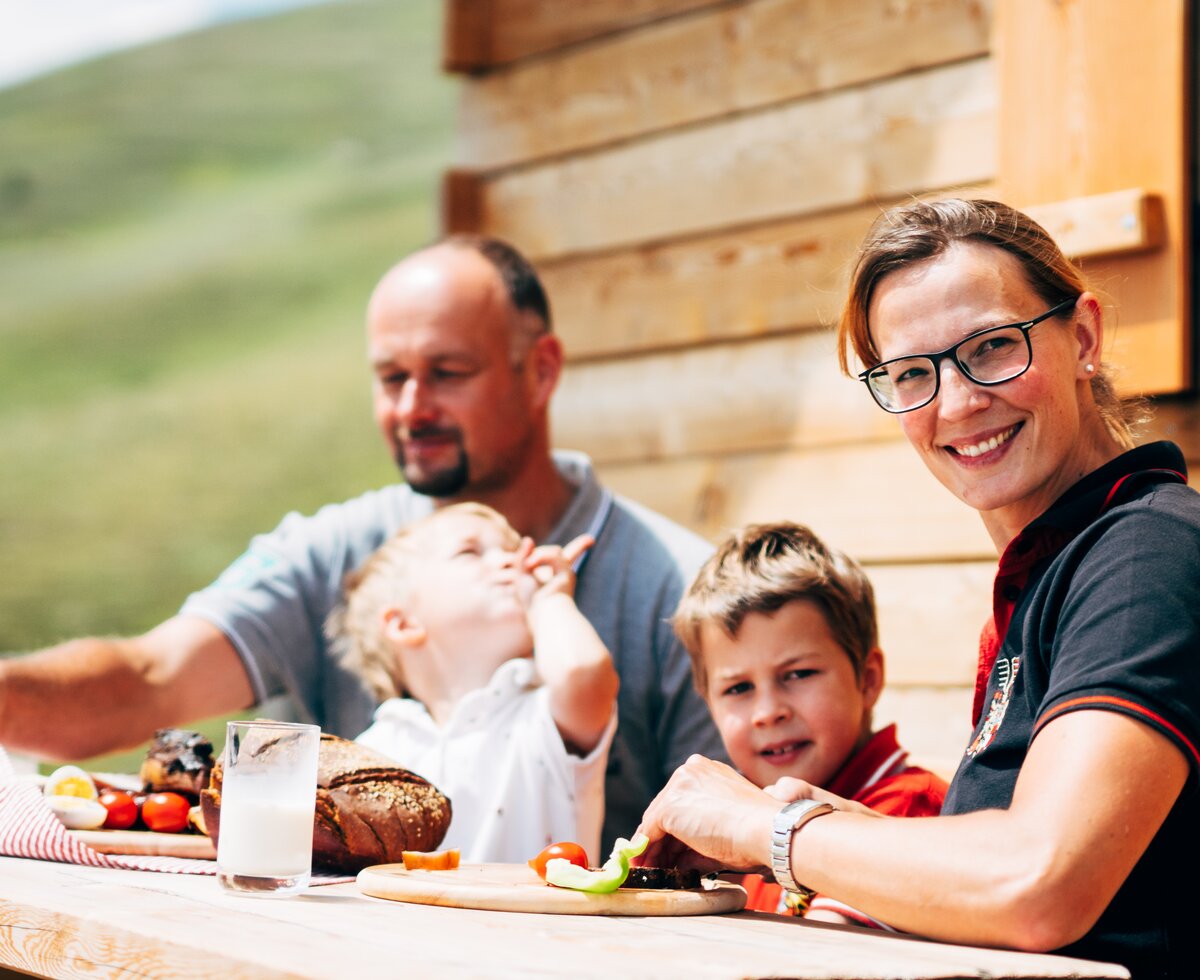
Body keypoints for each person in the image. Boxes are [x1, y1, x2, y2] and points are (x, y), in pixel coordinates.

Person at [0, 235, 724, 846]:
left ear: (540, 371)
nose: (412, 407)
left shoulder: (681, 588)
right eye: (390, 377)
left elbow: (730, 847)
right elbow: (148, 680)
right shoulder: (333, 551)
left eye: (447, 373)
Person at [636, 198, 1200, 978]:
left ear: (1083, 338)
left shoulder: (1145, 554)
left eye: (994, 347)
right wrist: (802, 825)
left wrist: (765, 832)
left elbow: (1039, 882)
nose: (958, 402)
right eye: (912, 373)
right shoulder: (1057, 567)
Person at [672, 520, 945, 924]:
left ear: (867, 680)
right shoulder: (746, 822)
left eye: (797, 675)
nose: (768, 712)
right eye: (738, 688)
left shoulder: (906, 810)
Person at [328, 502, 617, 864]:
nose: (514, 561)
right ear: (404, 623)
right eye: (470, 552)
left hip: (540, 923)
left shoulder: (544, 716)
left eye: (513, 550)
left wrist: (550, 598)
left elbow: (584, 672)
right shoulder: (376, 752)